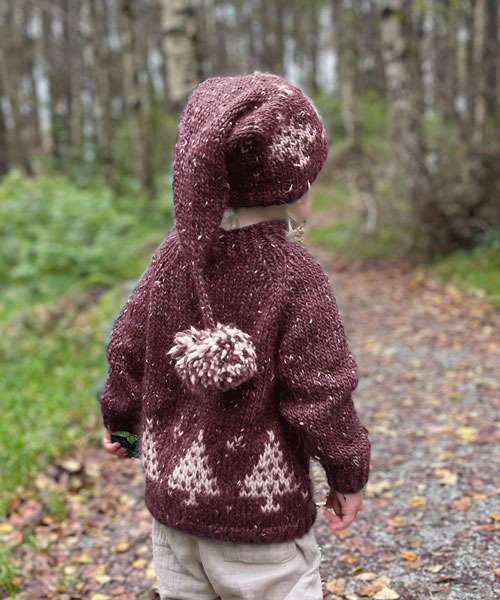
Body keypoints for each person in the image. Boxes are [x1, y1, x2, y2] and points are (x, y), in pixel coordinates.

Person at [100, 71, 371, 600]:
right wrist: (348, 473)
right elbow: (321, 394)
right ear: (293, 185)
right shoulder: (296, 276)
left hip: (175, 510)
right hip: (260, 517)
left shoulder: (172, 258)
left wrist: (122, 424)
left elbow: (128, 348)